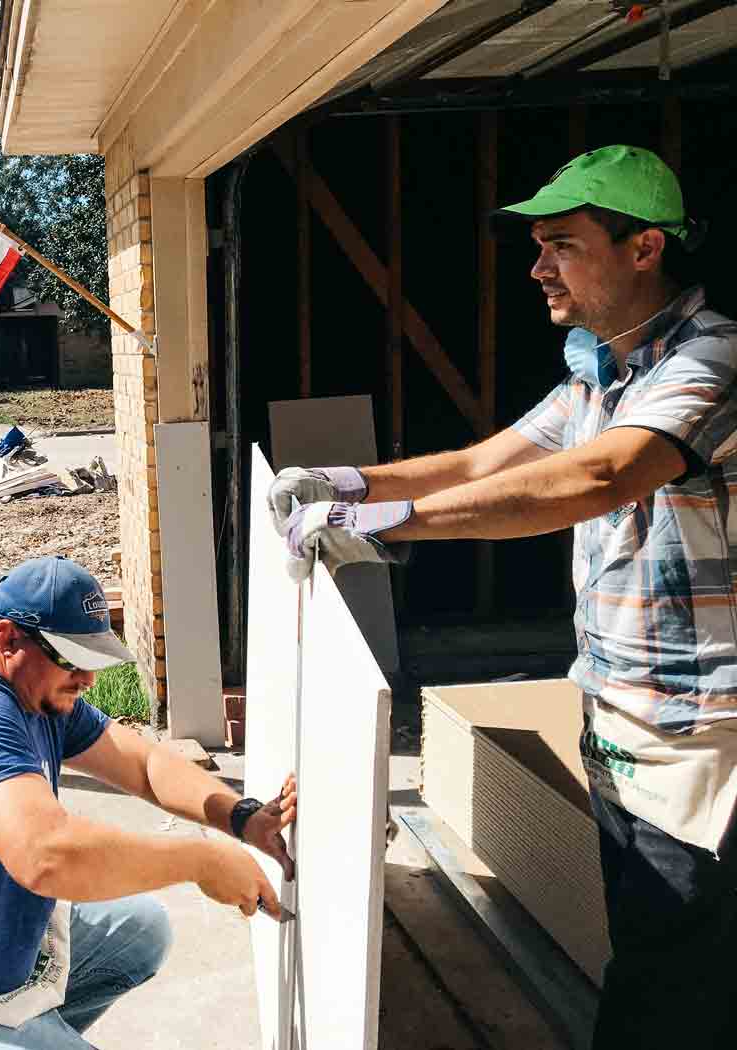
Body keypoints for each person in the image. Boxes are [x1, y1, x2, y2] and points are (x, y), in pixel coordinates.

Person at [271, 144, 737, 1047]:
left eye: (561, 243)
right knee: (652, 944)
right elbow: (487, 460)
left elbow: (597, 478)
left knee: (671, 984)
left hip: (700, 730)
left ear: (644, 249)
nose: (536, 267)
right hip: (618, 715)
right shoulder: (601, 373)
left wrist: (387, 526)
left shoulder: (713, 357)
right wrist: (347, 481)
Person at [0, 555, 297, 1049]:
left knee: (140, 931)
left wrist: (239, 816)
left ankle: (25, 1034)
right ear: (7, 638)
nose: (88, 679)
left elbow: (145, 765)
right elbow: (46, 855)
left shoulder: (40, 697)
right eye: (73, 658)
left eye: (94, 659)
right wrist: (200, 860)